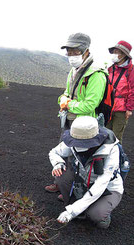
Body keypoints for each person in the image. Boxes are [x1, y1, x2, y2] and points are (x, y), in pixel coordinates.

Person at [45, 33, 107, 198]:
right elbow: (66, 94)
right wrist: (63, 100)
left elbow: (90, 105)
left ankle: (71, 188)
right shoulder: (73, 71)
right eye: (69, 52)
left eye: (75, 51)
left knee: (77, 156)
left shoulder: (96, 75)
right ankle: (59, 182)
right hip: (69, 119)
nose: (71, 56)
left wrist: (68, 103)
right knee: (62, 150)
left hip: (85, 124)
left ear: (86, 51)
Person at [48, 116, 123, 229]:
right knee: (61, 175)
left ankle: (101, 210)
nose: (77, 146)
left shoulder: (111, 149)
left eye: (81, 143)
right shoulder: (73, 139)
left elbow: (101, 184)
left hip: (107, 189)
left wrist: (72, 211)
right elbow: (54, 152)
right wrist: (58, 163)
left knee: (96, 216)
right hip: (83, 181)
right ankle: (77, 202)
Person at [107, 40, 134, 144]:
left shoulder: (131, 70)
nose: (115, 54)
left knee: (116, 137)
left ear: (124, 55)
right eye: (114, 51)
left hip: (121, 110)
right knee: (105, 133)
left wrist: (129, 108)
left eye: (117, 52)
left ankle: (117, 158)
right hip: (109, 106)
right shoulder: (111, 68)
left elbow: (133, 90)